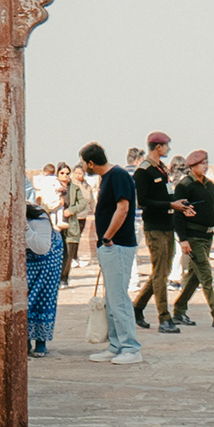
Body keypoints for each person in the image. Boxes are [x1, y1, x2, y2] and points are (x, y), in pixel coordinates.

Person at [83, 140, 145, 362]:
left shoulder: (118, 176)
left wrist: (108, 236)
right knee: (111, 299)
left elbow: (123, 207)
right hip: (110, 246)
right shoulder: (108, 177)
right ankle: (116, 344)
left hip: (117, 245)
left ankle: (131, 348)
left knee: (118, 299)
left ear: (91, 163)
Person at [172, 149, 214, 326]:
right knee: (206, 274)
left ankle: (179, 311)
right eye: (202, 164)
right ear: (192, 166)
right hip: (193, 237)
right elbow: (177, 215)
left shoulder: (209, 185)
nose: (205, 166)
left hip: (207, 237)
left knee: (194, 277)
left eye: (206, 163)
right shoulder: (185, 186)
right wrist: (183, 239)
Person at [133, 131, 185, 331]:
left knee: (161, 271)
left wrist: (177, 205)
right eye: (166, 146)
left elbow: (166, 194)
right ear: (158, 147)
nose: (168, 149)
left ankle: (137, 307)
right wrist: (170, 204)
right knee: (161, 273)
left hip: (167, 225)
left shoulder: (161, 169)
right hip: (154, 227)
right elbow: (143, 201)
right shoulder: (143, 171)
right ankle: (164, 317)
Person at [21, 172, 65, 358]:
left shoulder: (39, 218)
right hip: (27, 257)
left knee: (42, 297)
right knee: (25, 297)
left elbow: (41, 247)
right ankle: (24, 340)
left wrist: (24, 227)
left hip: (48, 256)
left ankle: (41, 341)